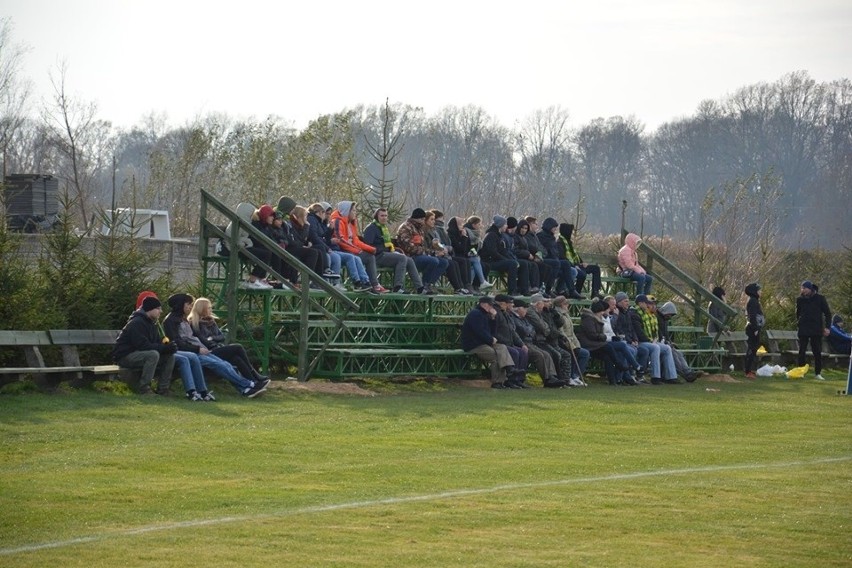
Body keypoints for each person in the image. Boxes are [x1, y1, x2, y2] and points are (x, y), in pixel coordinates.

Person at [163, 293, 268, 397]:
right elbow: (178, 342)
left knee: (226, 364)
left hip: (201, 350)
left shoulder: (182, 318)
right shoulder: (171, 321)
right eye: (188, 304)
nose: (191, 307)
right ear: (180, 305)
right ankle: (249, 384)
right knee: (221, 365)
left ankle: (245, 389)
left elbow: (216, 336)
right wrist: (197, 349)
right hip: (192, 353)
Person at [187, 297, 268, 384]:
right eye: (209, 308)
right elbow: (206, 342)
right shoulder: (194, 323)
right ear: (202, 309)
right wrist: (213, 339)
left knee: (236, 359)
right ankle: (254, 373)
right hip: (208, 352)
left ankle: (253, 380)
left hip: (216, 347)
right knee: (238, 347)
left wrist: (213, 338)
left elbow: (221, 337)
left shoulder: (211, 321)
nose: (211, 310)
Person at [112, 296, 177, 395]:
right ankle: (144, 388)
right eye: (158, 309)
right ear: (150, 309)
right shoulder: (136, 323)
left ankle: (163, 388)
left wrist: (168, 347)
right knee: (153, 354)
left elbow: (156, 341)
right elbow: (142, 345)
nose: (161, 311)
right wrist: (163, 348)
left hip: (139, 354)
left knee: (170, 356)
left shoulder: (151, 323)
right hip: (126, 356)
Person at [460, 296, 518, 389]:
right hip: (474, 344)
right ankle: (497, 382)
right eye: (490, 305)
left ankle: (509, 369)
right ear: (483, 304)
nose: (492, 307)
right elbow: (479, 332)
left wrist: (493, 318)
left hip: (484, 343)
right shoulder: (475, 314)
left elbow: (492, 332)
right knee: (495, 356)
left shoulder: (485, 314)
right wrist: (490, 339)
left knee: (502, 347)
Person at [328, 201, 386, 294]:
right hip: (342, 250)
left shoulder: (350, 223)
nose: (355, 213)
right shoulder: (338, 221)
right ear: (347, 211)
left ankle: (366, 283)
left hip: (351, 250)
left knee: (368, 255)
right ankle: (368, 283)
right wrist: (357, 250)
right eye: (353, 210)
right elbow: (341, 240)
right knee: (365, 257)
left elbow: (356, 240)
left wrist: (371, 249)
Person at [362, 208, 423, 294]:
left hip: (385, 254)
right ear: (376, 217)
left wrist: (393, 250)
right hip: (376, 256)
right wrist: (387, 249)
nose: (384, 218)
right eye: (382, 215)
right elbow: (368, 245)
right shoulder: (371, 228)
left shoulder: (383, 228)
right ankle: (398, 287)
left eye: (386, 216)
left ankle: (420, 287)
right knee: (402, 258)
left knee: (409, 260)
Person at [509, 298, 565, 387]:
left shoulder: (524, 319)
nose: (526, 311)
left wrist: (529, 331)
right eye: (525, 308)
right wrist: (529, 331)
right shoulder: (514, 318)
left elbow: (532, 329)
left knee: (546, 354)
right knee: (539, 355)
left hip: (531, 342)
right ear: (519, 309)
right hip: (524, 343)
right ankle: (546, 379)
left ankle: (552, 376)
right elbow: (523, 330)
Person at [396, 208, 448, 295]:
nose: (424, 221)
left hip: (420, 255)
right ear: (418, 219)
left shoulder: (419, 229)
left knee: (444, 262)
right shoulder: (406, 227)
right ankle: (424, 285)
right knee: (433, 261)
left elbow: (423, 246)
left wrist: (434, 252)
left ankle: (430, 284)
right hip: (409, 256)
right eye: (423, 219)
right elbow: (408, 247)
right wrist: (428, 253)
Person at [630, 294, 679, 384]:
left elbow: (656, 332)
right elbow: (639, 332)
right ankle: (655, 377)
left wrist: (658, 340)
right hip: (640, 342)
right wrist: (650, 340)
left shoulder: (649, 315)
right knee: (655, 347)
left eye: (653, 304)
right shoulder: (635, 314)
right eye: (648, 303)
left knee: (667, 348)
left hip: (650, 341)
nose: (652, 306)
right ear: (641, 303)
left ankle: (671, 377)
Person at [480, 215, 529, 296]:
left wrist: (509, 259)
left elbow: (503, 251)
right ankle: (512, 291)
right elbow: (493, 252)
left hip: (496, 260)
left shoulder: (499, 235)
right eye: (505, 224)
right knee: (512, 264)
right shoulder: (491, 235)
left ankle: (523, 290)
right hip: (489, 262)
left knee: (523, 264)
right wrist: (505, 260)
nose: (506, 226)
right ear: (500, 225)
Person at [656, 301, 702, 382]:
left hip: (664, 342)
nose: (670, 317)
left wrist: (669, 341)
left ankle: (688, 371)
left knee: (679, 354)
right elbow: (658, 333)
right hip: (659, 342)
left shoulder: (664, 319)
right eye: (670, 314)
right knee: (674, 355)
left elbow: (665, 334)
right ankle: (685, 374)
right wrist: (667, 342)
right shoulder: (657, 318)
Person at [550, 295, 592, 384]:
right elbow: (561, 330)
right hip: (563, 341)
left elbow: (571, 332)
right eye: (566, 304)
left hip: (571, 340)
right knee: (583, 354)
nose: (568, 305)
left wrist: (576, 344)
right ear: (562, 304)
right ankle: (573, 375)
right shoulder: (558, 315)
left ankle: (575, 375)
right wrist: (569, 343)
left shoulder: (566, 314)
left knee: (582, 353)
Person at [492, 294, 531, 387]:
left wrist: (522, 344)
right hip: (500, 343)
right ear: (502, 304)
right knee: (515, 353)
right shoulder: (496, 314)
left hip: (508, 342)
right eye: (510, 303)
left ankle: (520, 380)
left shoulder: (506, 314)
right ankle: (510, 380)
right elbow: (493, 331)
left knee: (523, 352)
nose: (512, 306)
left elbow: (513, 332)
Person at [796, 280, 832, 380]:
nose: (803, 290)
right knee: (801, 350)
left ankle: (818, 373)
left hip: (816, 328)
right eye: (802, 288)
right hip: (803, 328)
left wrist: (827, 327)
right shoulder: (800, 300)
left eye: (805, 288)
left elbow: (828, 314)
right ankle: (801, 371)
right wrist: (799, 322)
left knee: (817, 351)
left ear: (810, 289)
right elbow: (797, 313)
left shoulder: (820, 299)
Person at [535, 217, 578, 298]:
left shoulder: (552, 238)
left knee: (567, 265)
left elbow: (556, 252)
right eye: (554, 227)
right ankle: (548, 289)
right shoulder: (540, 236)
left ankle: (571, 290)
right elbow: (541, 250)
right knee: (557, 264)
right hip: (545, 260)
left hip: (554, 260)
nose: (555, 229)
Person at [558, 223, 601, 298]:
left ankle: (595, 292)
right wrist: (574, 266)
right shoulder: (560, 243)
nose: (571, 234)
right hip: (571, 266)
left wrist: (582, 262)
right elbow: (562, 258)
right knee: (582, 274)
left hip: (577, 265)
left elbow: (575, 256)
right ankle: (576, 292)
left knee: (596, 269)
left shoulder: (569, 243)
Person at [448, 216, 487, 293]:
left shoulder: (461, 234)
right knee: (466, 261)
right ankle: (467, 284)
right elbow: (459, 248)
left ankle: (471, 284)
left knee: (480, 263)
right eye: (460, 225)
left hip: (464, 255)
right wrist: (464, 237)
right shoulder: (451, 234)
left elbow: (464, 249)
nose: (462, 227)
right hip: (455, 255)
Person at [743, 282, 765, 379]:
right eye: (759, 290)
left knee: (754, 349)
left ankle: (750, 370)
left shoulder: (754, 300)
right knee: (751, 349)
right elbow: (752, 316)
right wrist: (755, 328)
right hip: (752, 329)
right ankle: (747, 371)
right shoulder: (753, 301)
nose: (761, 292)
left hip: (754, 328)